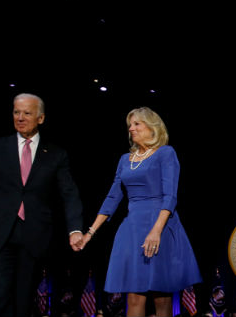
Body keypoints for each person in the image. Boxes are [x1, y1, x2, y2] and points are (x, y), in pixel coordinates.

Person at [0, 93, 85, 317]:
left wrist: (75, 229)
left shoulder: (56, 154)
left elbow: (69, 193)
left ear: (40, 118)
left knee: (24, 301)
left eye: (27, 113)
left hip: (35, 236)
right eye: (16, 112)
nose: (20, 117)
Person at [79, 106, 202, 317]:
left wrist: (156, 231)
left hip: (160, 226)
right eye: (129, 125)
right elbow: (112, 198)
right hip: (133, 229)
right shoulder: (125, 160)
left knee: (161, 297)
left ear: (152, 127)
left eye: (137, 124)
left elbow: (170, 196)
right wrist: (89, 233)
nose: (131, 129)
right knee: (134, 297)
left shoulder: (165, 153)